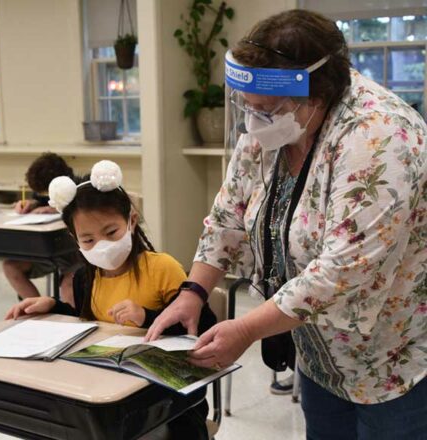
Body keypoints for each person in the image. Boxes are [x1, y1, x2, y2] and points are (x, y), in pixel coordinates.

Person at [146, 9, 427, 439]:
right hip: (317, 351)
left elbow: (341, 271)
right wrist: (194, 291)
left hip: (392, 361)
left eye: (267, 109)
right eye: (247, 107)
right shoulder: (273, 127)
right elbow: (229, 214)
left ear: (318, 98)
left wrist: (245, 329)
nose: (253, 121)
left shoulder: (380, 138)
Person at [5, 160, 217, 440]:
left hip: (169, 401)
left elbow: (203, 327)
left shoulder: (161, 268)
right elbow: (91, 326)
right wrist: (54, 307)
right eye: (88, 240)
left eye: (111, 232)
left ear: (131, 220)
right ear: (74, 238)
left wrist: (147, 317)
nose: (101, 246)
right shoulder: (84, 279)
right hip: (110, 397)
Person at [2, 153, 81, 299]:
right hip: (48, 251)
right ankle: (39, 312)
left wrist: (58, 209)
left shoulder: (79, 188)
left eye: (46, 193)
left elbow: (83, 211)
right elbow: (40, 201)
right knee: (10, 267)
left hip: (75, 252)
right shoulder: (44, 192)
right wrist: (31, 204)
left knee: (69, 286)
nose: (45, 196)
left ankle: (69, 318)